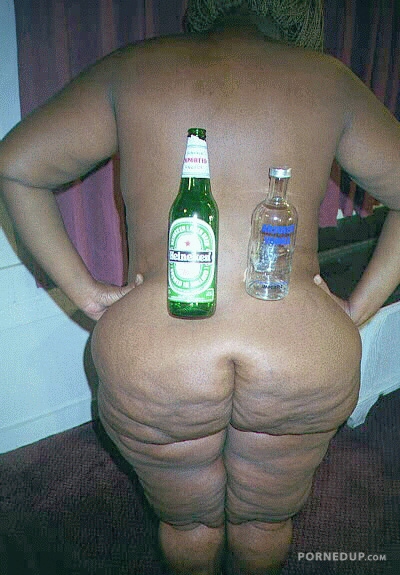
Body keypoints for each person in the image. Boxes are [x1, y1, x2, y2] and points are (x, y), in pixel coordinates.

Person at [1, 1, 399, 573]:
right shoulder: (330, 80)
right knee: (266, 521)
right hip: (299, 349)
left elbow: (16, 165)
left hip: (160, 353)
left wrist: (86, 295)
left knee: (187, 523)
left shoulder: (135, 67)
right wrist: (358, 308)